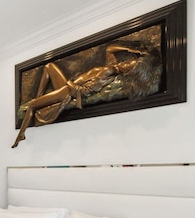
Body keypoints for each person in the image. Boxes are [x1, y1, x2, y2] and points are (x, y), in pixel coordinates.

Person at [12, 44, 161, 148]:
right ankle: (39, 97)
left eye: (131, 64)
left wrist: (70, 84)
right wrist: (130, 49)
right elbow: (110, 49)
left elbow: (83, 91)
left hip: (68, 91)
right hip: (65, 85)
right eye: (130, 60)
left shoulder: (108, 77)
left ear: (129, 71)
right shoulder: (110, 66)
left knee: (31, 106)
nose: (128, 62)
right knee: (49, 66)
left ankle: (21, 135)